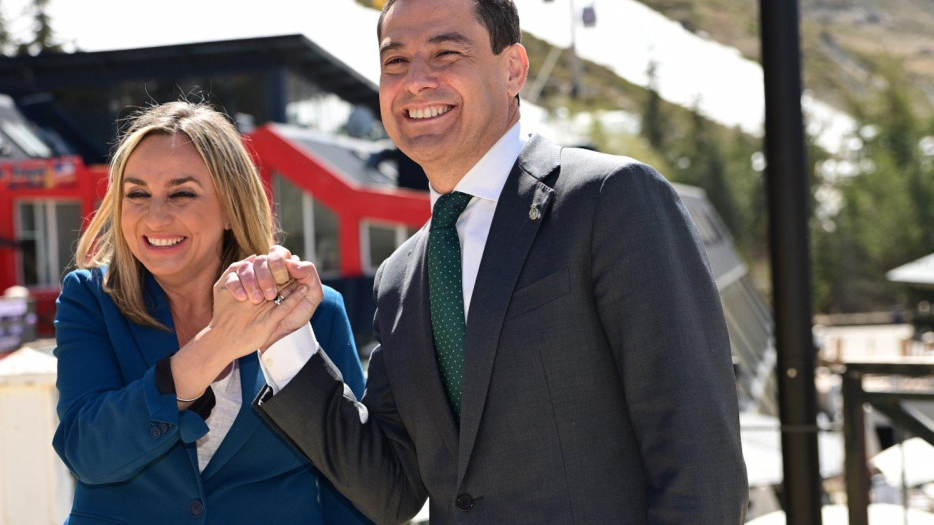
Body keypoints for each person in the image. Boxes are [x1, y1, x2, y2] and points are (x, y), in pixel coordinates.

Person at [227, 0, 748, 523]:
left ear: (513, 69)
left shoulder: (610, 200)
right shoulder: (400, 277)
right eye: (396, 62)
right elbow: (392, 491)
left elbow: (697, 460)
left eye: (446, 53)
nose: (416, 81)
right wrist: (285, 339)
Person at [51, 102, 370, 524]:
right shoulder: (90, 299)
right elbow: (88, 454)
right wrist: (217, 344)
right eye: (137, 194)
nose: (156, 216)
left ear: (229, 208)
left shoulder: (311, 310)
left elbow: (354, 482)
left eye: (181, 193)